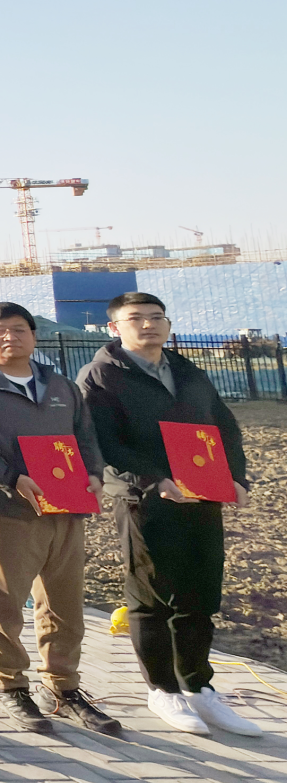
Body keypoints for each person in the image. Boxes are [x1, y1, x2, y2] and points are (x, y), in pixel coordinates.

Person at [77, 292, 260, 737]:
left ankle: (198, 686)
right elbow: (105, 441)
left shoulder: (185, 369)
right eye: (136, 318)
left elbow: (224, 426)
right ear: (114, 327)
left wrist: (236, 477)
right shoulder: (101, 375)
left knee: (200, 592)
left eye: (157, 317)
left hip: (202, 494)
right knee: (151, 595)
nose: (149, 325)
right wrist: (154, 479)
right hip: (144, 499)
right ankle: (162, 689)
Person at [0, 301, 121, 735]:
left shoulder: (59, 385)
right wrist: (11, 478)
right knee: (3, 606)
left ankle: (63, 687)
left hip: (65, 511)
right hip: (7, 512)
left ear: (33, 335)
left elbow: (84, 436)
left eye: (19, 329)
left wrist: (94, 474)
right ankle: (11, 686)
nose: (10, 337)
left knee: (64, 605)